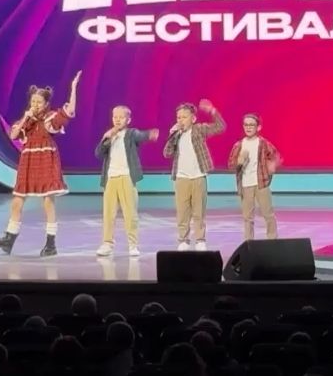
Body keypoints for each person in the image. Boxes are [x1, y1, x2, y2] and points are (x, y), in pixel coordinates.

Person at [0, 72, 81, 257]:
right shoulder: (27, 121)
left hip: (46, 159)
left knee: (48, 202)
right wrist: (26, 117)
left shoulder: (50, 117)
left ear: (46, 104)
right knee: (17, 200)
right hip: (28, 161)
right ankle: (9, 239)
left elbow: (69, 111)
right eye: (33, 101)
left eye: (39, 102)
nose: (35, 105)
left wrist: (73, 88)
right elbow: (13, 135)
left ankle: (50, 244)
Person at [94, 105, 159, 257]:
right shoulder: (110, 135)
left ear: (128, 120)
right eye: (115, 117)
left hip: (126, 177)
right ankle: (107, 244)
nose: (117, 120)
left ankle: (132, 244)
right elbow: (98, 153)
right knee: (108, 214)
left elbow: (140, 136)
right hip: (111, 178)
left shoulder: (131, 134)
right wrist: (107, 138)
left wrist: (149, 134)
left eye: (121, 117)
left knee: (130, 213)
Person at [163, 99, 225, 251]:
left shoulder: (199, 130)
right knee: (182, 212)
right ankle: (183, 240)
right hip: (181, 177)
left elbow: (220, 127)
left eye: (184, 117)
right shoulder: (176, 135)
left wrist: (212, 111)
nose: (180, 120)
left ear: (193, 119)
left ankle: (200, 240)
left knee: (199, 211)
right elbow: (167, 153)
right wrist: (171, 135)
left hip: (198, 176)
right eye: (178, 117)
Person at [227, 113, 282, 240]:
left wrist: (272, 165)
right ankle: (249, 243)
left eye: (251, 125)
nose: (248, 127)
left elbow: (275, 156)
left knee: (268, 214)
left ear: (258, 127)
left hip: (261, 183)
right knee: (247, 217)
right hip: (245, 185)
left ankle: (272, 240)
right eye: (246, 125)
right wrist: (239, 162)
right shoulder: (239, 145)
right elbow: (231, 165)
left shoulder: (263, 143)